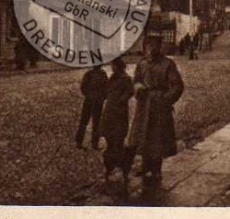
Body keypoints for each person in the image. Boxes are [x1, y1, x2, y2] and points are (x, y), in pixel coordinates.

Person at [126, 35, 185, 185]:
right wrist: (137, 87)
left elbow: (177, 85)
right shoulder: (142, 64)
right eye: (148, 46)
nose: (151, 49)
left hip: (159, 106)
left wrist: (166, 99)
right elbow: (136, 80)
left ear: (160, 47)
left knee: (157, 138)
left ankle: (156, 169)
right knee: (143, 137)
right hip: (144, 105)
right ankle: (145, 166)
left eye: (154, 46)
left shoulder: (167, 64)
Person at [100, 57, 135, 185]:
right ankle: (109, 167)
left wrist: (121, 99)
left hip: (119, 112)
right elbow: (107, 90)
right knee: (109, 138)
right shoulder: (113, 77)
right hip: (110, 111)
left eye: (113, 65)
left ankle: (121, 166)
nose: (111, 67)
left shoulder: (126, 78)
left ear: (118, 65)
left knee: (118, 140)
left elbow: (130, 91)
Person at [75, 65, 108, 150]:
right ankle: (79, 141)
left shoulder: (102, 74)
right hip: (89, 101)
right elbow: (83, 87)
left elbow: (106, 88)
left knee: (96, 122)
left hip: (97, 101)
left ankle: (94, 143)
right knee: (84, 121)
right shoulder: (90, 74)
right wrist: (90, 95)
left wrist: (103, 96)